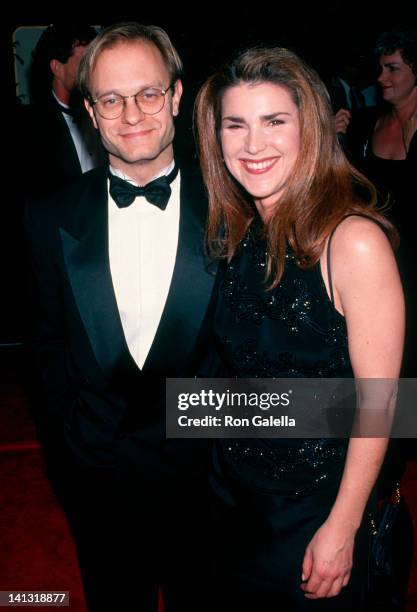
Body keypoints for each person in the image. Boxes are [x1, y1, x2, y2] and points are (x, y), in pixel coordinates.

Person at [195, 47, 404, 611]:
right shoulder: (236, 235)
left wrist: (343, 527)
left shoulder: (354, 242)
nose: (253, 144)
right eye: (235, 125)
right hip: (234, 498)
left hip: (315, 510)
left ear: (309, 128)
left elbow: (382, 403)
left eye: (274, 121)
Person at [25, 22, 219, 612]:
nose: (131, 113)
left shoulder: (237, 209)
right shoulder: (46, 217)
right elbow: (45, 349)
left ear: (178, 96)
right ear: (90, 108)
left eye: (149, 93)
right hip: (98, 481)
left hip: (212, 486)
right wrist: (72, 457)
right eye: (111, 98)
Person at [19, 23, 106, 198]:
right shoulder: (29, 129)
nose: (94, 71)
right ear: (57, 68)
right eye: (85, 63)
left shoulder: (108, 112)